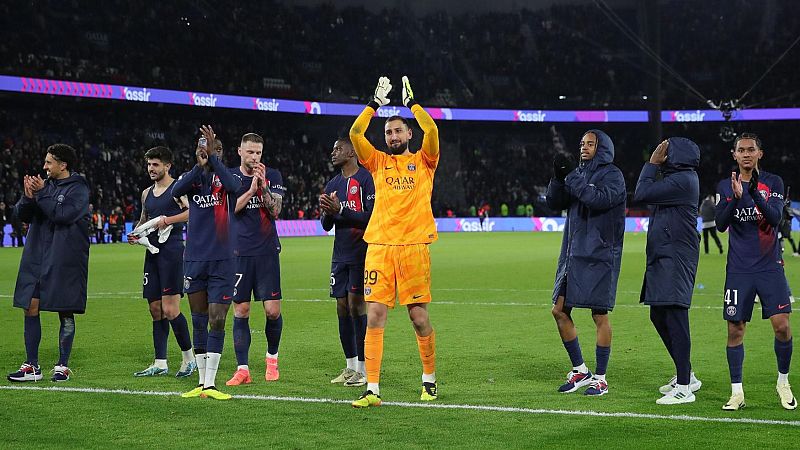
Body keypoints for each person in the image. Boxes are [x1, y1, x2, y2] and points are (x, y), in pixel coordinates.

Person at [348, 76, 439, 408]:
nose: (393, 136)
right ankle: (372, 389)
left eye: (398, 131)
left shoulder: (425, 161)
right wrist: (374, 104)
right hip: (380, 249)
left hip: (414, 246)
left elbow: (433, 132)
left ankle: (429, 381)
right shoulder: (376, 162)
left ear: (408, 134)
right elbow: (356, 134)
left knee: (418, 317)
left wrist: (414, 104)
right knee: (374, 316)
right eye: (388, 132)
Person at [715, 133, 795, 411]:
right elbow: (721, 225)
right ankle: (737, 392)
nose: (746, 154)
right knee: (735, 330)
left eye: (751, 150)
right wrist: (734, 199)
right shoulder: (726, 185)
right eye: (741, 150)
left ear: (760, 153)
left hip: (769, 267)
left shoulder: (772, 182)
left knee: (782, 326)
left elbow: (774, 218)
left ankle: (782, 381)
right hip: (738, 270)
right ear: (734, 155)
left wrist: (750, 194)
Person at [546, 129, 626, 396]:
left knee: (598, 314)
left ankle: (601, 378)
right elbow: (554, 202)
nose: (584, 147)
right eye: (582, 143)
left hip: (599, 255)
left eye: (590, 144)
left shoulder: (613, 175)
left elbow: (597, 199)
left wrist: (571, 177)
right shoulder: (577, 174)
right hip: (573, 254)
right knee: (559, 310)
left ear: (602, 147)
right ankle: (580, 370)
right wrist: (559, 179)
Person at [7, 144, 90, 383]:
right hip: (37, 255)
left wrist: (42, 193)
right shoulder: (46, 185)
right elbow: (22, 216)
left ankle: (62, 365)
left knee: (65, 309)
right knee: (29, 306)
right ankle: (32, 365)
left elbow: (62, 215)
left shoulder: (78, 187)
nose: (44, 167)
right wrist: (27, 197)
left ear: (63, 165)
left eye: (49, 162)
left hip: (64, 258)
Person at [172, 126, 242, 400]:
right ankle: (201, 383)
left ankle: (211, 383)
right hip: (195, 259)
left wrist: (213, 160)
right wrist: (198, 166)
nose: (204, 151)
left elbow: (236, 187)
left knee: (217, 318)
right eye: (200, 147)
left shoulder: (227, 178)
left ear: (220, 152)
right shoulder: (192, 179)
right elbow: (174, 191)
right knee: (199, 320)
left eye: (211, 148)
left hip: (223, 259)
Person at [633, 138, 703, 405]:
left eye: (665, 150)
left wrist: (651, 164)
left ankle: (685, 388)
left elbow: (641, 193)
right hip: (665, 255)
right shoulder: (677, 179)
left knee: (675, 317)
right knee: (658, 314)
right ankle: (687, 374)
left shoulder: (684, 179)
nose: (661, 154)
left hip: (675, 256)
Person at [128, 146, 195, 378]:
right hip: (153, 253)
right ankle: (160, 362)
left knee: (170, 309)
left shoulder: (178, 189)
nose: (151, 169)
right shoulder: (147, 193)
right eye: (148, 165)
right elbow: (144, 220)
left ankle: (189, 359)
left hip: (173, 253)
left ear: (167, 166)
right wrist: (135, 234)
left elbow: (192, 213)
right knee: (155, 309)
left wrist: (167, 220)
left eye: (155, 164)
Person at [225, 133, 286, 386]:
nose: (254, 157)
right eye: (250, 152)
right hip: (238, 252)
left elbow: (276, 211)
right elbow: (229, 210)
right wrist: (251, 190)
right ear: (239, 151)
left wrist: (263, 188)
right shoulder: (229, 177)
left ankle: (272, 360)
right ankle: (243, 369)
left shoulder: (273, 175)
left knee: (272, 312)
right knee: (241, 310)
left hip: (267, 251)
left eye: (258, 153)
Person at [319, 137, 374, 387]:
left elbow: (371, 218)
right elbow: (326, 225)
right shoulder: (333, 183)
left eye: (338, 149)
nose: (333, 153)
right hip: (339, 255)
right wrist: (329, 212)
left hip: (360, 253)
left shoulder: (366, 179)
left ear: (352, 152)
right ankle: (350, 366)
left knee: (356, 306)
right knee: (341, 307)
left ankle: (364, 368)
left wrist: (341, 210)